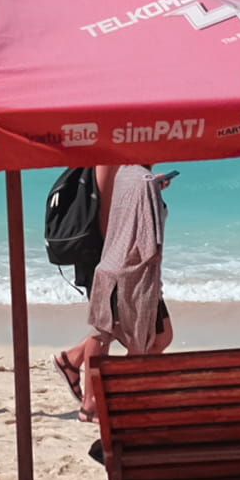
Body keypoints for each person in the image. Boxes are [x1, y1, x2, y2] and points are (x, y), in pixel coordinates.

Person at [60, 164, 174, 396]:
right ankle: (95, 400)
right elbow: (107, 214)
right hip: (112, 259)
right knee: (105, 331)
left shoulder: (133, 170)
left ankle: (73, 363)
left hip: (119, 259)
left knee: (128, 332)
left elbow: (120, 201)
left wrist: (148, 189)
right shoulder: (111, 160)